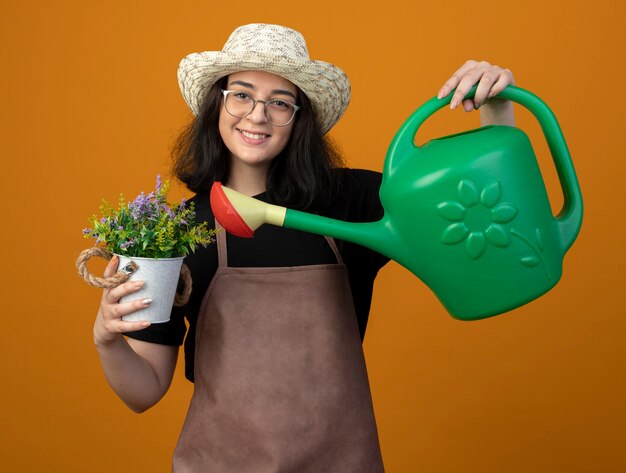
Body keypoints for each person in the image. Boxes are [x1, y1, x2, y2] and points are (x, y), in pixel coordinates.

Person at [93, 23, 516, 472]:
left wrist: (496, 109)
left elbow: (488, 218)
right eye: (241, 94)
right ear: (217, 102)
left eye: (280, 102)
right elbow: (145, 390)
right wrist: (106, 341)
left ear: (301, 118)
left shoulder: (351, 202)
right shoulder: (179, 231)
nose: (257, 115)